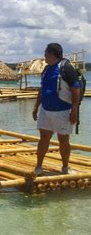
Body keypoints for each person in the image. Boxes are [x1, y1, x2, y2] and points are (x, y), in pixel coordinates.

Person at [33, 43, 81, 175]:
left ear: (52, 54)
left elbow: (76, 89)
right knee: (44, 137)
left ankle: (65, 167)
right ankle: (38, 167)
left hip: (63, 111)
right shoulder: (47, 69)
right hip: (46, 110)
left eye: (46, 53)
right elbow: (42, 89)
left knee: (63, 139)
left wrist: (74, 111)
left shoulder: (66, 69)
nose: (44, 56)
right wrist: (36, 106)